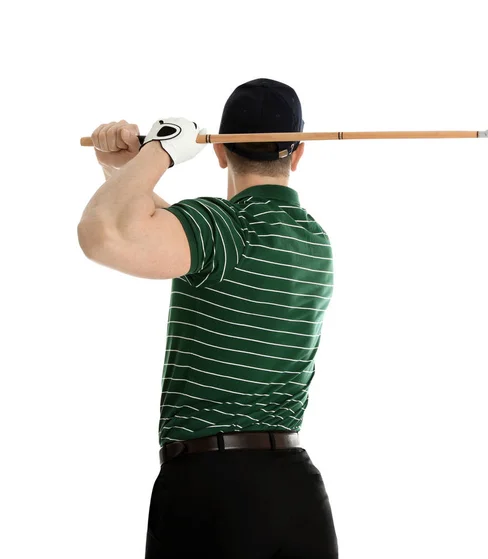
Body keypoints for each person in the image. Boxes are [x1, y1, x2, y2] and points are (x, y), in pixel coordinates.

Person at [78, 78, 339, 558]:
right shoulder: (314, 242)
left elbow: (107, 233)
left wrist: (160, 154)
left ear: (219, 151)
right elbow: (147, 224)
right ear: (298, 154)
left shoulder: (220, 230)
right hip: (297, 496)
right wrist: (122, 169)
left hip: (212, 490)